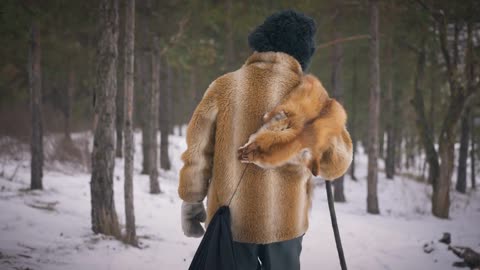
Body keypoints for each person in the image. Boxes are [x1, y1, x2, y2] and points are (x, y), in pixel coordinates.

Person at [178, 10, 351, 270]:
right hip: (286, 224)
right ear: (303, 52)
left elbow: (197, 151)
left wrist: (192, 201)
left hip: (231, 223)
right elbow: (335, 164)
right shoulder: (311, 96)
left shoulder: (223, 86)